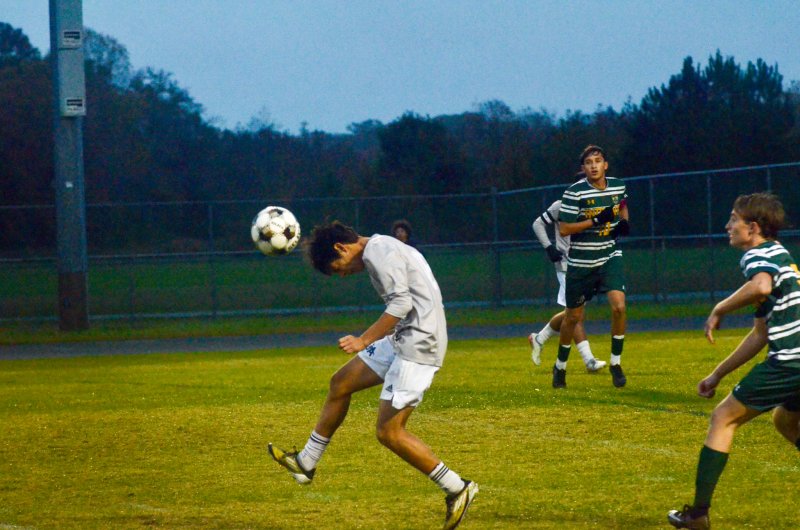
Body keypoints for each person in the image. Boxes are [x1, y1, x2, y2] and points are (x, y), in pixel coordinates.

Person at [268, 220, 478, 530]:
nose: (341, 273)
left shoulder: (379, 252)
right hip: (405, 336)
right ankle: (307, 462)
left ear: (341, 247)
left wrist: (363, 340)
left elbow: (402, 304)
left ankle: (457, 487)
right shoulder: (381, 248)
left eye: (336, 266)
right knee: (340, 383)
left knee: (389, 432)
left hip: (420, 344)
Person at [667, 193, 800, 529]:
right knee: (785, 421)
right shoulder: (780, 254)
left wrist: (719, 308)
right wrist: (716, 374)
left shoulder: (757, 256)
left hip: (790, 362)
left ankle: (697, 515)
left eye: (733, 220)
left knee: (723, 418)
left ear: (752, 228)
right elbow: (759, 335)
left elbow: (759, 286)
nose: (727, 226)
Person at [554, 145, 630, 388]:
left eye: (598, 161)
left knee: (619, 307)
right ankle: (560, 366)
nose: (594, 165)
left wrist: (624, 223)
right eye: (589, 162)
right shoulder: (574, 193)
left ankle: (616, 364)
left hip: (609, 255)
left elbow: (622, 205)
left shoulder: (618, 185)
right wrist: (595, 220)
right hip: (581, 262)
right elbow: (564, 229)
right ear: (583, 168)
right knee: (573, 317)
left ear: (605, 164)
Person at [528, 173, 607, 373]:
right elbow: (537, 223)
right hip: (566, 266)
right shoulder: (561, 205)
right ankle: (589, 361)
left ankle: (539, 338)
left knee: (572, 314)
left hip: (585, 265)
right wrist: (548, 247)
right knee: (575, 315)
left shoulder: (593, 209)